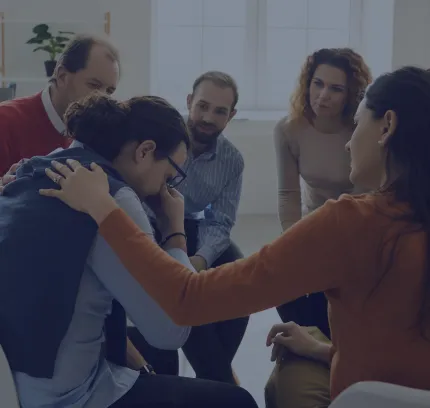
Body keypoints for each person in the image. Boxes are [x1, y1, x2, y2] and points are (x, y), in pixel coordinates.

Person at [43, 66, 430, 405]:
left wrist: (105, 209)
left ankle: (217, 376)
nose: (348, 141)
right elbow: (400, 354)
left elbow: (187, 299)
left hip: (367, 399)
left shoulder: (351, 223)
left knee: (268, 386)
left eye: (358, 124)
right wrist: (323, 350)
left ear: (387, 126)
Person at [0, 94, 257, 408]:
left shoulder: (34, 168)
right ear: (145, 151)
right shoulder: (113, 198)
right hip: (70, 397)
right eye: (170, 176)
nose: (167, 189)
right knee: (237, 401)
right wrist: (174, 233)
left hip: (13, 382)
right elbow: (173, 329)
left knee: (155, 361)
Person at [130, 71, 249, 384]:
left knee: (239, 277)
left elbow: (219, 220)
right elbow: (134, 198)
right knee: (190, 294)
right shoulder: (158, 138)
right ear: (188, 102)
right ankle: (219, 381)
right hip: (147, 225)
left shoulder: (232, 161)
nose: (208, 118)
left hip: (191, 225)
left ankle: (212, 377)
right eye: (202, 106)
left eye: (220, 111)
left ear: (231, 115)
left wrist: (199, 259)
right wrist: (173, 258)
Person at [274, 47, 372, 339]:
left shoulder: (363, 129)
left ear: (351, 94)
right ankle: (310, 346)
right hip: (312, 224)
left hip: (358, 225)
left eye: (335, 89)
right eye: (318, 84)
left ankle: (335, 349)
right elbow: (288, 194)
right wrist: (294, 241)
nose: (323, 95)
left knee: (342, 292)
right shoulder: (288, 129)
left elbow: (364, 195)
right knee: (282, 285)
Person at [0, 33, 120, 178]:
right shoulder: (5, 121)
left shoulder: (99, 135)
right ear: (62, 76)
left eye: (109, 91)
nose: (102, 98)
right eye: (94, 85)